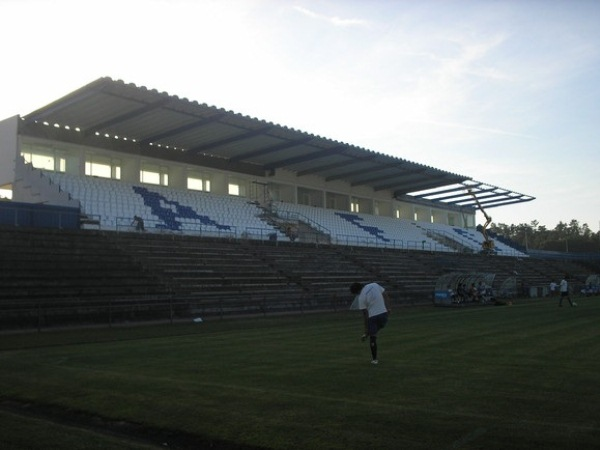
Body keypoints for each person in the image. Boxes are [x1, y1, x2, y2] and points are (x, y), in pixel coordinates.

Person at [350, 282, 391, 365]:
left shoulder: (361, 298)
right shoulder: (374, 285)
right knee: (378, 328)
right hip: (383, 314)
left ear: (357, 291)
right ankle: (369, 332)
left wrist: (366, 329)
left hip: (373, 317)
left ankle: (374, 359)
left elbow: (365, 314)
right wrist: (388, 307)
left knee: (373, 337)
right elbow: (385, 295)